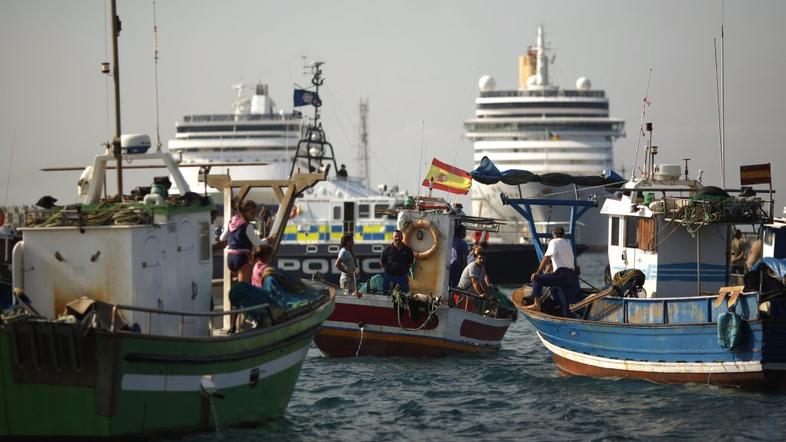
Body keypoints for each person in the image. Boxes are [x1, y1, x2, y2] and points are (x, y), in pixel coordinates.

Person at [528, 226, 580, 317]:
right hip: (572, 278)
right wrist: (550, 269)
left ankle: (537, 304)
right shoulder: (567, 243)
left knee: (536, 279)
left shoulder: (554, 242)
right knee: (565, 307)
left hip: (562, 276)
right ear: (564, 235)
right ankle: (567, 317)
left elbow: (546, 258)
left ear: (553, 235)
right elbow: (560, 262)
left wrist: (538, 272)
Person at [220, 200, 276, 283]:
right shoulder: (247, 226)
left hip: (230, 258)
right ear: (244, 213)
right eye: (252, 213)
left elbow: (222, 238)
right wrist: (268, 240)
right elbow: (257, 244)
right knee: (244, 287)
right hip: (242, 258)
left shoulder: (232, 221)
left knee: (237, 287)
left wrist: (235, 240)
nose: (254, 215)